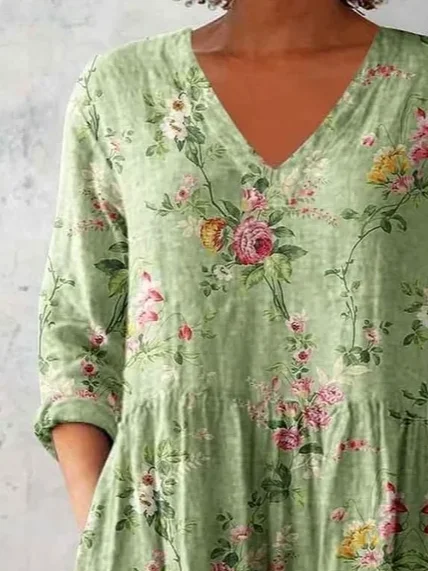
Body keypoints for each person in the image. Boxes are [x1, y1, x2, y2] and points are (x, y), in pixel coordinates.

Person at [33, 0, 428, 569]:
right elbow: (79, 337)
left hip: (386, 518)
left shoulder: (417, 84)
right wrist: (108, 524)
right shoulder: (121, 90)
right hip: (170, 529)